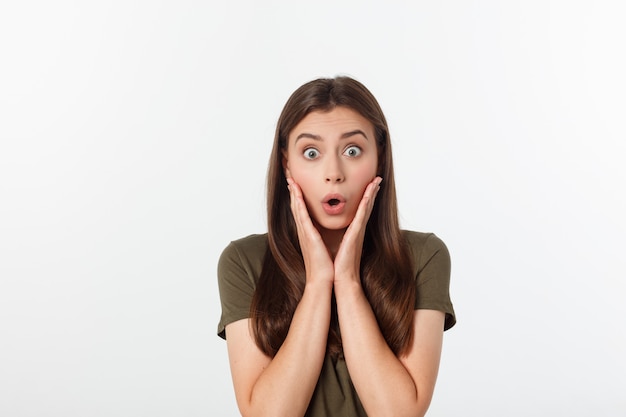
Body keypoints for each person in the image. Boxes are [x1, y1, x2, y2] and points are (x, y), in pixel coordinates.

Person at [217, 76, 455, 417]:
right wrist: (317, 285)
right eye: (311, 153)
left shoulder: (423, 256)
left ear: (380, 158)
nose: (333, 173)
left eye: (353, 150)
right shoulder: (244, 262)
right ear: (287, 163)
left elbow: (399, 414)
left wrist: (347, 282)